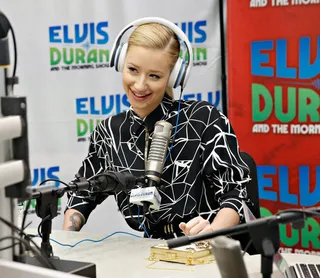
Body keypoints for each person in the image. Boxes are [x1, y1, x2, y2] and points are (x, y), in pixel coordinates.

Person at [63, 18, 251, 240]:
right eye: (133, 70)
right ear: (121, 63)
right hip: (149, 253)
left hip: (210, 248)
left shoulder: (204, 119)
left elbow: (237, 194)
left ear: (174, 76)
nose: (140, 85)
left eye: (154, 76)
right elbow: (82, 197)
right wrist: (63, 244)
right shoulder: (109, 132)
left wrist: (211, 231)